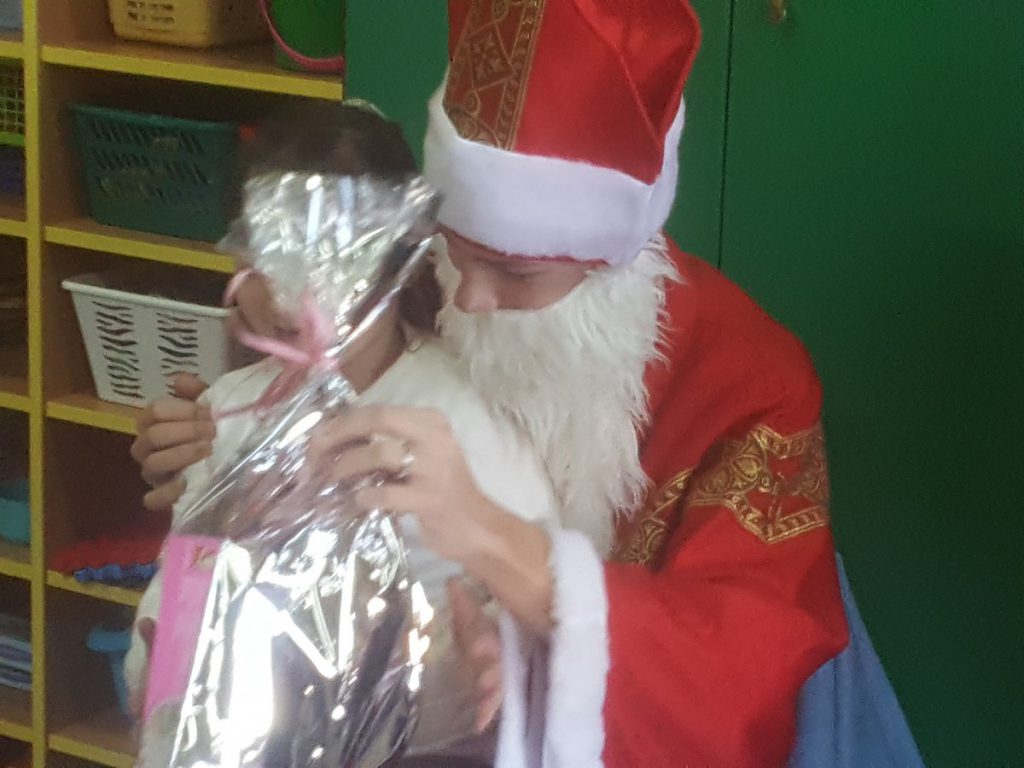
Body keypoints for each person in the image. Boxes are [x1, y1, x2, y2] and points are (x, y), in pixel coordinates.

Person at [133, 3, 852, 766]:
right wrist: (219, 440)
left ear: (603, 259)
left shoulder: (746, 383)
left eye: (515, 273)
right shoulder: (421, 288)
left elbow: (742, 668)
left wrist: (507, 559)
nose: (470, 299)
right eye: (453, 250)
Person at [124, 102, 556, 764]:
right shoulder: (229, 410)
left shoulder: (460, 417)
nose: (285, 296)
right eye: (264, 258)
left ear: (391, 261)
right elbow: (188, 568)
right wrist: (156, 672)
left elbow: (535, 572)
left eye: (321, 256)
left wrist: (495, 655)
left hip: (422, 745)